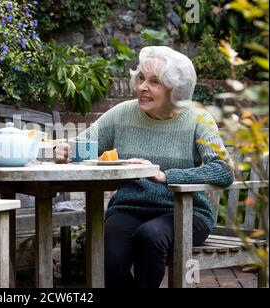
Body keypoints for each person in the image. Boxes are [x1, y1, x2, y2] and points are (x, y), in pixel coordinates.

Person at [55, 46, 235, 288]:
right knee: (107, 251)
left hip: (185, 212)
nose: (142, 87)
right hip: (129, 208)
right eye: (140, 78)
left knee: (149, 236)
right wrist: (66, 150)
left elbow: (223, 170)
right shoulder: (122, 114)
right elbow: (84, 146)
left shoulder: (198, 120)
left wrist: (166, 176)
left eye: (154, 82)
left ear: (175, 88)